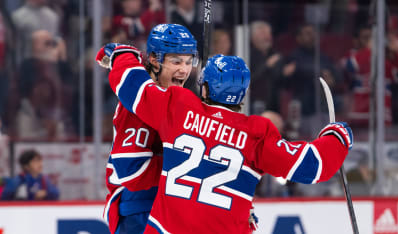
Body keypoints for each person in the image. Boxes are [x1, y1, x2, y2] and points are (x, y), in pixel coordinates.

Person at [96, 44, 353, 233]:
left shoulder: (180, 108)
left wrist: (123, 54)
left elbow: (133, 87)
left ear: (205, 86)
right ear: (243, 94)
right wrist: (338, 136)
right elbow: (313, 165)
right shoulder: (256, 132)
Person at [101, 24, 199, 234]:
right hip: (140, 212)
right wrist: (187, 164)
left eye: (189, 61)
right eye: (176, 61)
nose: (184, 69)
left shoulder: (177, 100)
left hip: (169, 206)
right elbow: (131, 171)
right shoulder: (136, 105)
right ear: (155, 59)